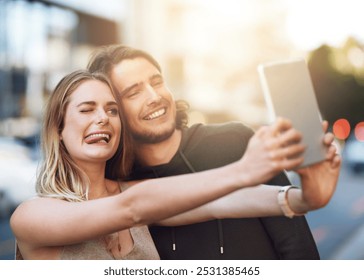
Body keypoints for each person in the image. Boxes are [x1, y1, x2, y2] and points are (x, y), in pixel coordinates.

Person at [10, 70, 339, 260]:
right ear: (58, 128)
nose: (102, 119)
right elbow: (130, 209)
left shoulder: (134, 192)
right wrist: (244, 168)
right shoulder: (31, 217)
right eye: (87, 109)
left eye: (112, 110)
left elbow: (220, 204)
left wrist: (303, 198)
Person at [87, 44, 341, 260]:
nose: (154, 96)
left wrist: (307, 197)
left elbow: (296, 244)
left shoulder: (235, 140)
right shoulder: (120, 189)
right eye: (133, 92)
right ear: (112, 111)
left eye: (157, 82)